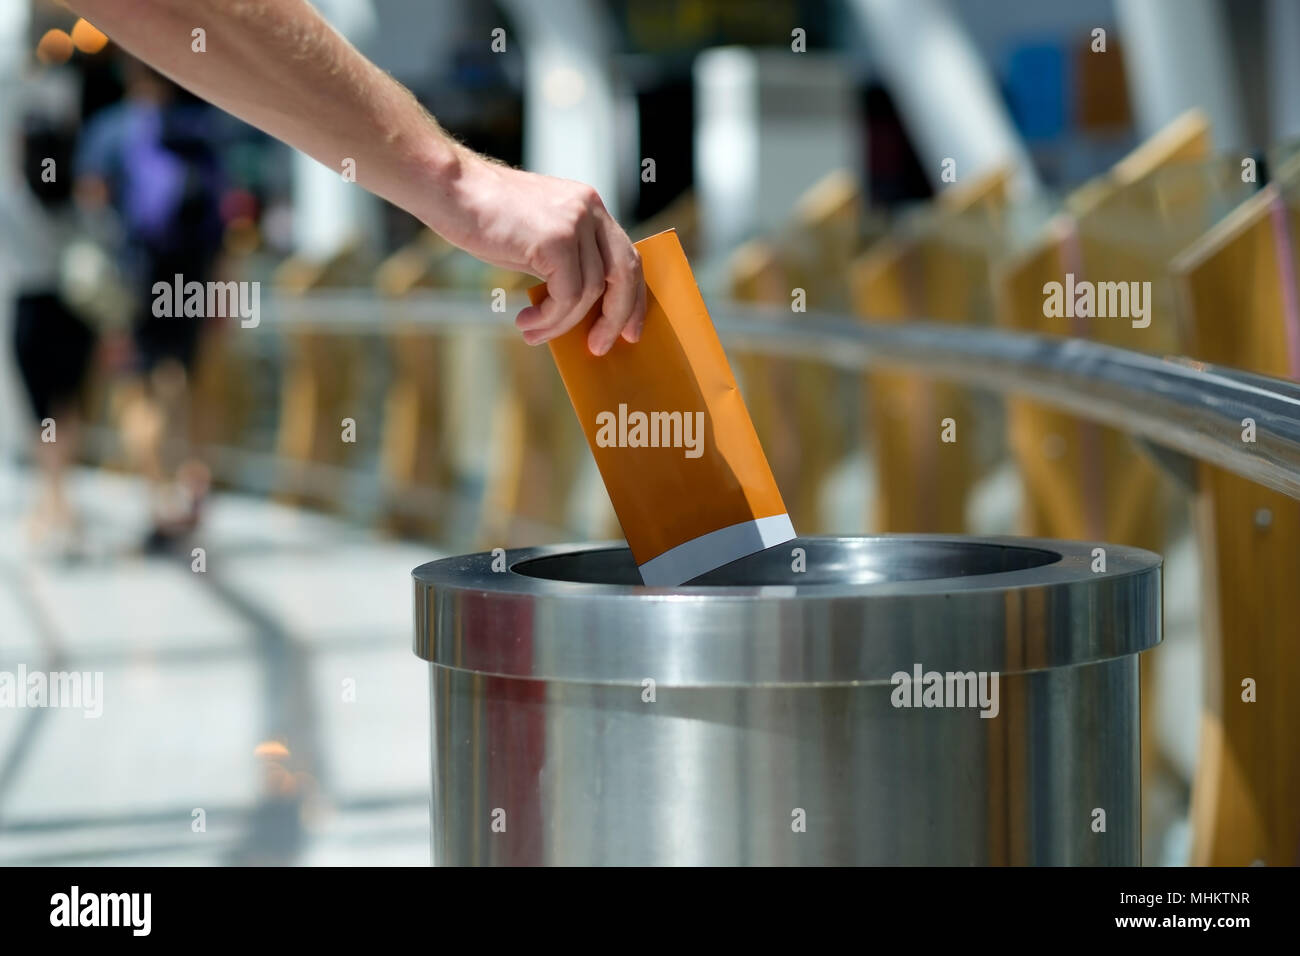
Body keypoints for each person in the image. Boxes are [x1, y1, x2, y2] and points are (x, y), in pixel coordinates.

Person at [67, 0, 647, 356]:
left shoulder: (113, 132)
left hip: (142, 277)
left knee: (153, 382)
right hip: (174, 279)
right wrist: (456, 181)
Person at [76, 57, 226, 549]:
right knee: (182, 381)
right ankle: (193, 476)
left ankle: (159, 500)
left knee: (136, 390)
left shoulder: (110, 130)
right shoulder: (197, 128)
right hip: (192, 279)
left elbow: (92, 206)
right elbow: (223, 217)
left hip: (138, 277)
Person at [3, 71, 98, 556]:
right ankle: (63, 501)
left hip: (33, 310)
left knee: (41, 414)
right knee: (66, 409)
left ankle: (52, 500)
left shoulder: (12, 200)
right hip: (72, 310)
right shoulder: (75, 201)